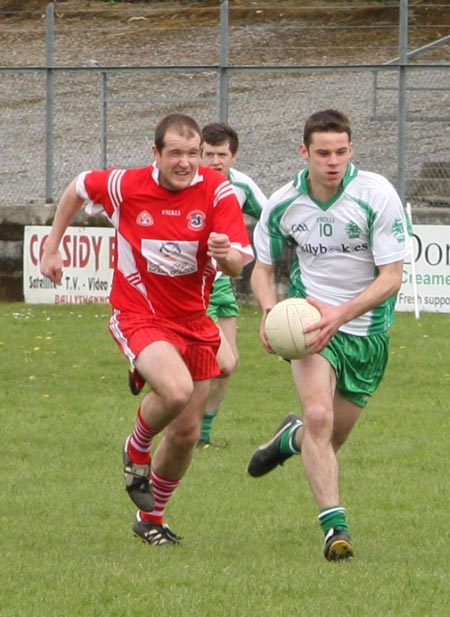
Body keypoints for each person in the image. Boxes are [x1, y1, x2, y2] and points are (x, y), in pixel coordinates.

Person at [40, 113, 254, 546]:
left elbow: (237, 262)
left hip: (193, 319)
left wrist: (223, 252)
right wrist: (52, 244)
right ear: (155, 154)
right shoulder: (125, 186)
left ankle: (151, 518)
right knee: (174, 390)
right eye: (175, 152)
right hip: (138, 312)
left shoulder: (218, 192)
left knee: (187, 432)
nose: (185, 162)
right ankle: (135, 448)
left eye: (192, 153)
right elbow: (78, 187)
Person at [247, 109, 408, 561]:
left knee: (328, 439)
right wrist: (268, 310)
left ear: (351, 150)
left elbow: (391, 276)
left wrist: (344, 313)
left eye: (340, 152)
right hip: (311, 321)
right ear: (305, 153)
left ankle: (288, 440)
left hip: (367, 330)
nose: (332, 161)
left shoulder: (376, 195)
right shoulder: (284, 202)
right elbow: (261, 266)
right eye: (322, 153)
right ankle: (335, 531)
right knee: (319, 416)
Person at [197, 121, 267, 447]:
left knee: (228, 366)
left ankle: (203, 433)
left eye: (221, 154)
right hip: (192, 285)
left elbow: (272, 219)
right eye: (208, 154)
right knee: (211, 362)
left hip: (223, 283)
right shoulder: (186, 183)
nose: (215, 161)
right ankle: (187, 428)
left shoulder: (241, 187)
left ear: (233, 156)